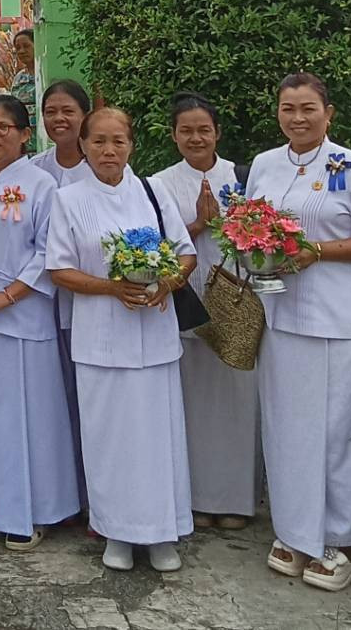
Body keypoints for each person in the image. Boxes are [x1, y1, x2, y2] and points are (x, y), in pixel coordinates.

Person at [248, 72, 351, 591]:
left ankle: (345, 543)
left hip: (335, 319)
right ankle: (295, 533)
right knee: (288, 429)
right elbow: (250, 230)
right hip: (281, 317)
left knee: (338, 433)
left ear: (328, 113)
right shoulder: (265, 165)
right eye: (288, 108)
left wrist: (316, 252)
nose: (297, 117)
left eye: (308, 108)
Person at [47, 107, 196, 573]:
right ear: (84, 146)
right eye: (98, 142)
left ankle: (161, 534)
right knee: (108, 440)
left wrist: (166, 283)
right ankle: (115, 532)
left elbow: (185, 253)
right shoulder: (68, 200)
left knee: (158, 438)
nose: (108, 151)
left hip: (154, 337)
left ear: (132, 145)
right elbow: (59, 268)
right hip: (101, 340)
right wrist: (111, 287)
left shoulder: (153, 193)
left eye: (118, 141)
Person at [0, 95, 79, 549]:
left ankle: (37, 511)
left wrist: (9, 295)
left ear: (25, 135)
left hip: (22, 320)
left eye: (4, 127)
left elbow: (49, 251)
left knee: (30, 419)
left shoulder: (41, 184)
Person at [149, 93, 260, 531]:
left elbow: (265, 235)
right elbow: (154, 246)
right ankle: (194, 497)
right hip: (186, 301)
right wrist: (196, 225)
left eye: (204, 130)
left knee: (237, 399)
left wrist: (229, 225)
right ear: (175, 135)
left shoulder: (242, 177)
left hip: (236, 302)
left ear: (217, 132)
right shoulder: (158, 183)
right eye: (186, 130)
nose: (196, 138)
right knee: (190, 402)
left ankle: (236, 498)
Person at [33, 78, 93, 507]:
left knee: (86, 398)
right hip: (38, 303)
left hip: (87, 302)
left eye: (68, 111)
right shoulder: (34, 170)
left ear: (84, 116)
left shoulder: (105, 168)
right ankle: (58, 493)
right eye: (51, 111)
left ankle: (92, 494)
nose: (59, 119)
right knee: (51, 400)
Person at [9, 29, 37, 132]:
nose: (21, 51)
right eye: (18, 48)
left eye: (26, 46)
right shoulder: (18, 78)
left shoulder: (45, 75)